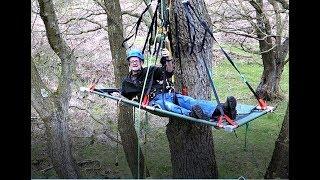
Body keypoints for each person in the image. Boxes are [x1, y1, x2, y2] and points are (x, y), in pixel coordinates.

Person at [120, 49, 237, 120]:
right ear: (129, 64)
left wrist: (169, 59)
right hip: (154, 101)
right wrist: (116, 95)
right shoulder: (127, 82)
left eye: (137, 61)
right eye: (132, 61)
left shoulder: (149, 71)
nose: (134, 63)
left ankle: (223, 109)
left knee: (191, 102)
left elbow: (168, 72)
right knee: (171, 107)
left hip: (168, 94)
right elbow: (124, 97)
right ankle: (191, 115)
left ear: (141, 62)